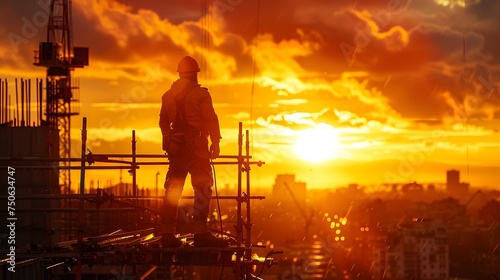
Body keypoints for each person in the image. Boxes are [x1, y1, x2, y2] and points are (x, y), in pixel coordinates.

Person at [159, 56, 227, 247]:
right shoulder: (201, 94)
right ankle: (200, 234)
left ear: (179, 74)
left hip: (177, 150)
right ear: (195, 74)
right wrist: (215, 142)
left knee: (173, 190)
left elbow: (163, 121)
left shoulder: (167, 96)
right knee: (202, 188)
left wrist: (168, 141)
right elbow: (211, 119)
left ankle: (166, 234)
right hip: (197, 149)